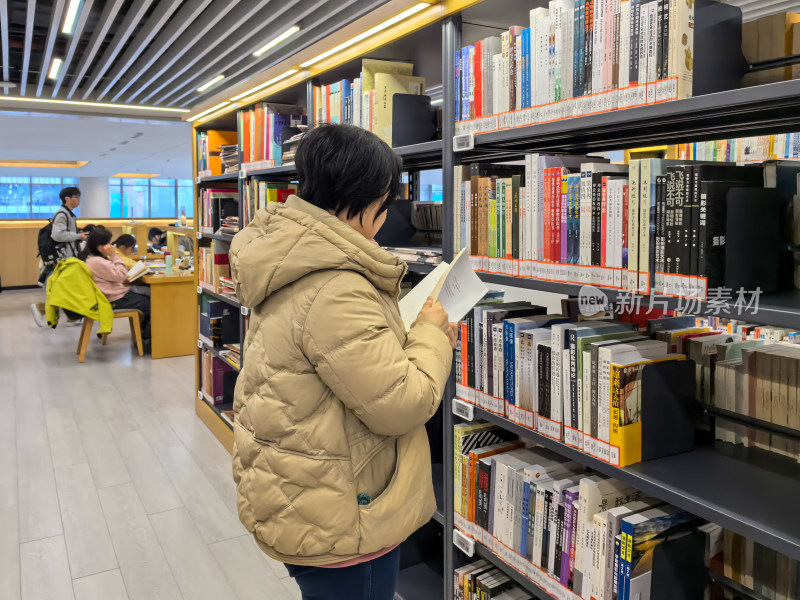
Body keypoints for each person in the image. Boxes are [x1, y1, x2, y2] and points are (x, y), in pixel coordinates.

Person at [229, 123, 457, 600]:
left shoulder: (291, 257)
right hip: (340, 512)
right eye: (388, 198)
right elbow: (402, 403)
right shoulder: (334, 286)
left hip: (303, 489)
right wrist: (432, 335)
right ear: (369, 196)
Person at [81, 226, 151, 353]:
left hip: (114, 295)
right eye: (108, 243)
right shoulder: (97, 261)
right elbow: (120, 274)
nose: (111, 246)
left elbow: (113, 276)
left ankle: (142, 338)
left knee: (148, 297)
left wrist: (120, 277)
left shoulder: (93, 259)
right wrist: (114, 255)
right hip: (116, 299)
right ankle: (146, 342)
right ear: (101, 246)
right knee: (154, 303)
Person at [30, 186, 87, 327]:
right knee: (65, 289)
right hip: (63, 259)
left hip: (67, 257)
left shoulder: (69, 214)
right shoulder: (62, 214)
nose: (79, 200)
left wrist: (77, 237)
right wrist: (78, 236)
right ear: (67, 198)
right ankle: (40, 308)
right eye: (76, 197)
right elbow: (58, 235)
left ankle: (72, 317)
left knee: (67, 288)